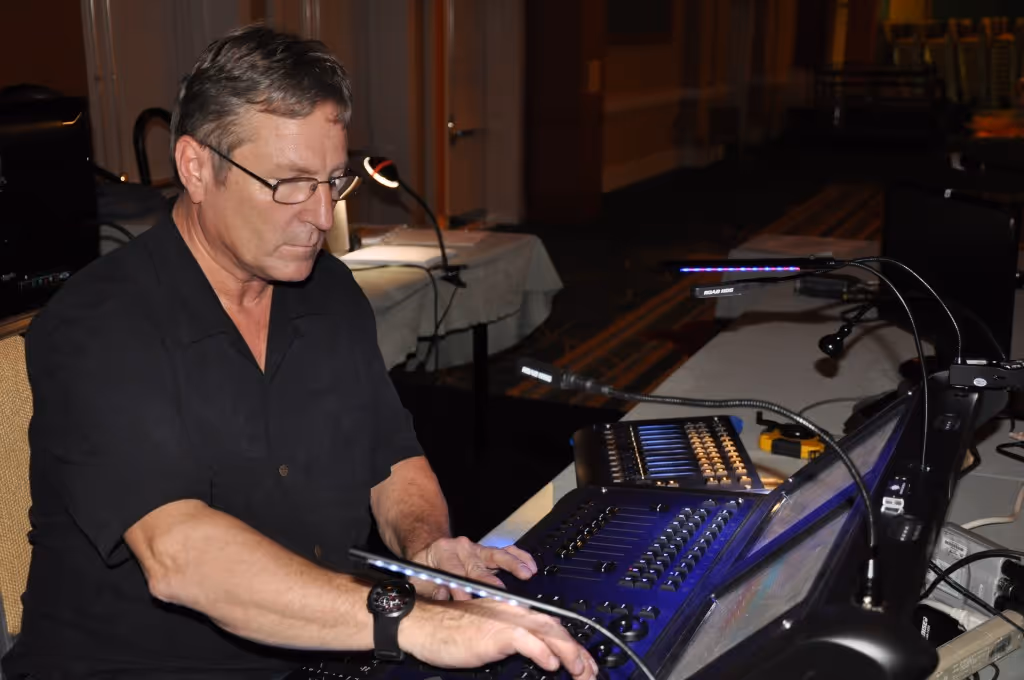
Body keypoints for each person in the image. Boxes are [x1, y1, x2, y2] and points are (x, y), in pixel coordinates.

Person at [2, 25, 597, 680]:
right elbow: (180, 557)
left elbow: (391, 458)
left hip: (317, 653)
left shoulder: (329, 291)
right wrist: (411, 622)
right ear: (196, 168)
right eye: (288, 182)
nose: (319, 216)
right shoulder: (101, 324)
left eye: (332, 181)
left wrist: (425, 546)